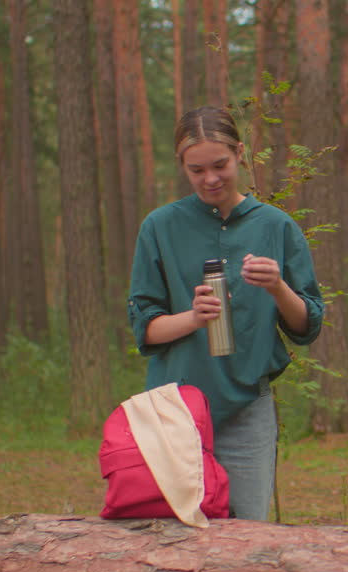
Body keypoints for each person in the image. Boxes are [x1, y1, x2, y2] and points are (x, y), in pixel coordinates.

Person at [128, 105, 324, 524]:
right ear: (182, 166)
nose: (210, 179)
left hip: (247, 408)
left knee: (249, 533)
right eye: (196, 170)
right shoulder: (160, 227)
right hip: (174, 409)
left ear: (239, 154)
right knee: (172, 534)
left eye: (220, 165)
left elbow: (307, 325)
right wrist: (193, 318)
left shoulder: (276, 226)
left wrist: (277, 285)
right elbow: (145, 328)